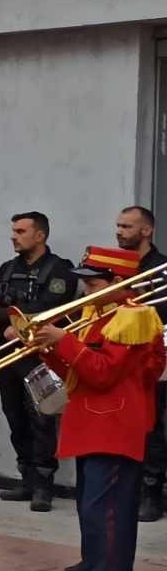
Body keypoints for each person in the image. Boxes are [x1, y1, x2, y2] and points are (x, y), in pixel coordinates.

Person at [31, 245, 162, 571]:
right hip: (94, 426)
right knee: (99, 519)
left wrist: (64, 341)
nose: (85, 288)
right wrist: (49, 347)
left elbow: (103, 372)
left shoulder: (133, 317)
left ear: (119, 283)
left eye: (94, 281)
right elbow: (79, 370)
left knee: (106, 520)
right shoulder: (100, 315)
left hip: (114, 427)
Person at [0, 210, 76, 511]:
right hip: (8, 355)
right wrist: (12, 318)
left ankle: (43, 485)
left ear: (40, 235)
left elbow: (55, 308)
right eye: (14, 230)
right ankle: (26, 478)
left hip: (42, 356)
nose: (14, 235)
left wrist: (20, 320)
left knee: (42, 418)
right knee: (14, 415)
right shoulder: (6, 269)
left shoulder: (59, 271)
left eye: (21, 231)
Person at [115, 204, 166, 521]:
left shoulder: (161, 268)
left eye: (127, 227)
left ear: (146, 231)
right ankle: (131, 489)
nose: (119, 231)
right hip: (119, 355)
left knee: (152, 426)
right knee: (131, 423)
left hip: (154, 354)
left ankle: (152, 493)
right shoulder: (114, 264)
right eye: (118, 226)